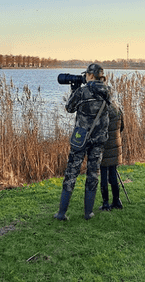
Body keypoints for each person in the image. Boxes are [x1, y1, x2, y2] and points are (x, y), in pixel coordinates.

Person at [54, 63, 111, 221]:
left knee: (72, 172)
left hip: (81, 137)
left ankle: (61, 213)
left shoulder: (83, 91)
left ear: (91, 75)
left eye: (87, 74)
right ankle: (88, 213)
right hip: (99, 139)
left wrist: (74, 90)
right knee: (93, 173)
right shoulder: (108, 91)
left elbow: (70, 108)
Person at [99, 102, 125, 211]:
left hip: (104, 146)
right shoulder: (117, 107)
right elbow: (122, 127)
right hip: (115, 145)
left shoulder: (101, 109)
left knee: (104, 174)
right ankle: (116, 201)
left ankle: (106, 203)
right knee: (113, 173)